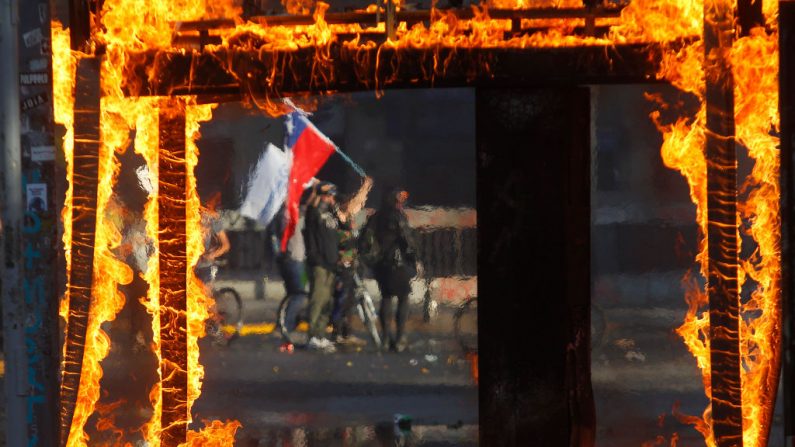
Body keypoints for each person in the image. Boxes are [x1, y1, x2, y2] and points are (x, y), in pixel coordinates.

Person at [303, 177, 372, 352]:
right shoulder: (315, 213)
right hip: (319, 263)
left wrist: (365, 188)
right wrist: (316, 190)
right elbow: (311, 205)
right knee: (317, 301)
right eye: (328, 196)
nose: (331, 199)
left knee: (326, 302)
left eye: (332, 196)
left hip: (331, 264)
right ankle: (312, 336)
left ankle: (320, 335)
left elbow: (351, 206)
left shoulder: (332, 214)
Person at [360, 187, 418, 352]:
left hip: (380, 265)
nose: (402, 202)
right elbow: (407, 240)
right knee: (403, 298)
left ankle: (385, 338)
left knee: (386, 297)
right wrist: (414, 259)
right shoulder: (398, 216)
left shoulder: (376, 217)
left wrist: (369, 260)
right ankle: (399, 338)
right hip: (397, 264)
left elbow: (365, 238)